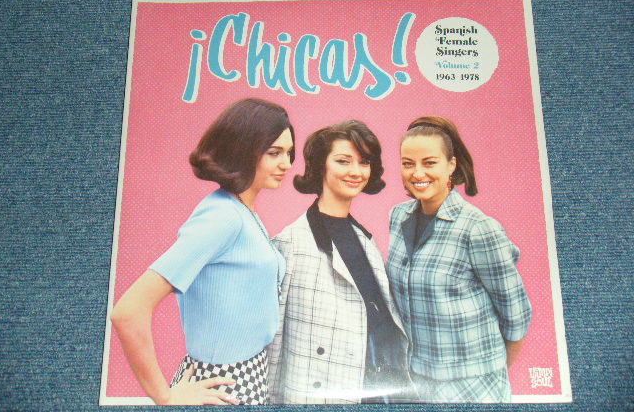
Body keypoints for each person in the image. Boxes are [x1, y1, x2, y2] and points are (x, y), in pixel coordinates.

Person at [110, 97, 295, 405]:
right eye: (274, 153)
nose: (286, 164)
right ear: (243, 149)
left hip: (251, 375)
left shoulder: (242, 211)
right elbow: (128, 311)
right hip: (225, 385)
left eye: (289, 153)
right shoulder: (222, 217)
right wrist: (164, 396)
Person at [267, 120, 415, 404]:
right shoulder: (290, 244)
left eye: (364, 162)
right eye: (343, 161)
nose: (356, 172)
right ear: (321, 165)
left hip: (376, 390)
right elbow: (273, 345)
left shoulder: (366, 241)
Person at [387, 116, 532, 403]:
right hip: (416, 380)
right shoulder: (398, 216)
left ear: (451, 165)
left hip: (473, 386)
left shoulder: (478, 228)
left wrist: (490, 372)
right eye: (408, 163)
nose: (417, 173)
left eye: (429, 162)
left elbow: (517, 315)